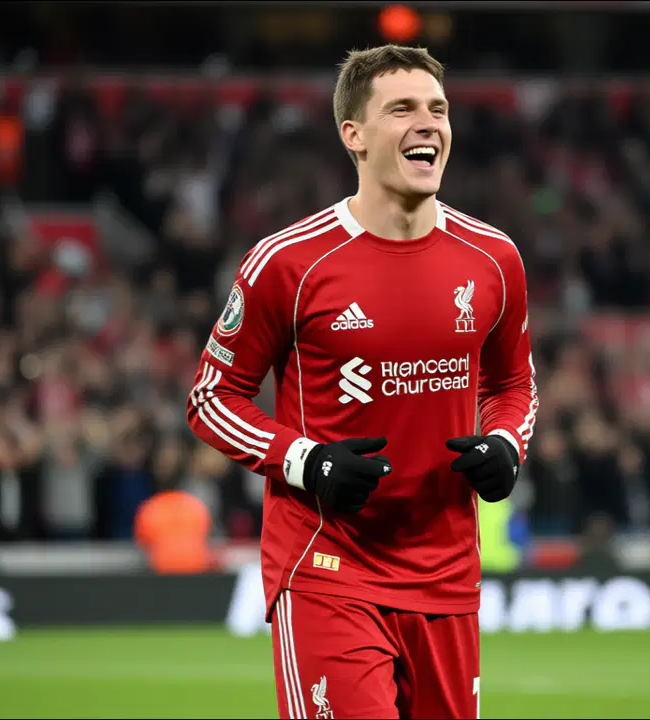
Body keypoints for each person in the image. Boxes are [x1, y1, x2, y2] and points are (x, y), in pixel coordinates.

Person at [187, 44, 537, 719]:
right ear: (354, 135)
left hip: (446, 576)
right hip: (328, 569)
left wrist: (505, 443)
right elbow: (211, 397)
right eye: (402, 109)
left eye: (437, 109)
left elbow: (513, 385)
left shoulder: (494, 259)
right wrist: (306, 460)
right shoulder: (288, 263)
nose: (428, 123)